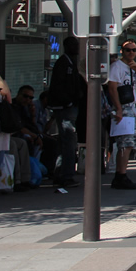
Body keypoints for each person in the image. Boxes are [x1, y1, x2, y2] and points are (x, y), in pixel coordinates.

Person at [107, 40, 136, 189]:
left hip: (132, 107)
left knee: (129, 144)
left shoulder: (133, 68)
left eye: (134, 50)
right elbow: (112, 88)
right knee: (125, 143)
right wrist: (118, 108)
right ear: (122, 51)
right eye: (128, 50)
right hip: (123, 108)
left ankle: (122, 173)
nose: (131, 53)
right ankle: (120, 174)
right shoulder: (116, 67)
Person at [48, 36, 86, 187]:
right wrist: (69, 101)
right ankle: (66, 174)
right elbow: (59, 86)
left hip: (69, 105)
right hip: (65, 107)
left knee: (66, 141)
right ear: (66, 46)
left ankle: (61, 172)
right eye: (74, 45)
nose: (76, 47)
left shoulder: (71, 62)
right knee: (68, 140)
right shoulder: (63, 63)